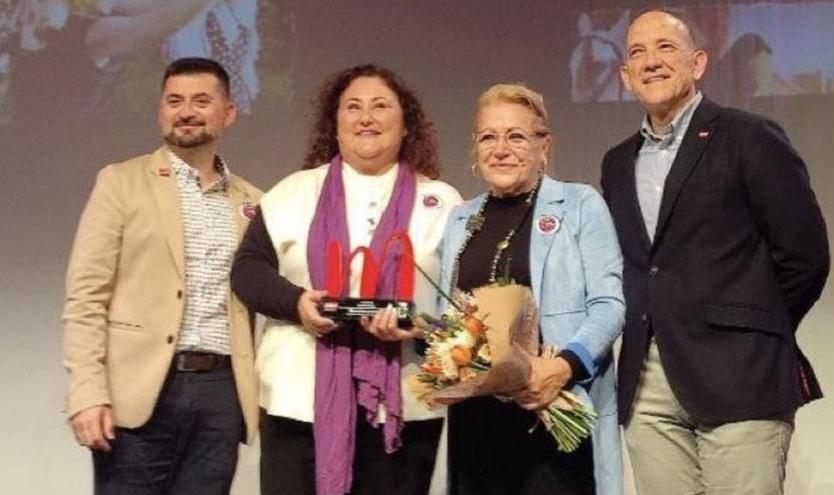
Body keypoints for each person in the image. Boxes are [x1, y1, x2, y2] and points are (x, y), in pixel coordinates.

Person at [600, 10, 830, 495]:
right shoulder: (617, 163)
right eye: (637, 53)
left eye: (666, 47)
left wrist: (751, 327)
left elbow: (805, 256)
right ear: (624, 76)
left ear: (698, 63)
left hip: (741, 374)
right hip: (648, 382)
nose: (651, 62)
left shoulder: (749, 136)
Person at [230, 63, 462, 495]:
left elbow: (464, 304)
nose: (366, 118)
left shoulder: (443, 202)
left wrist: (420, 326)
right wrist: (297, 302)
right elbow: (247, 269)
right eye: (352, 107)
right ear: (334, 125)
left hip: (406, 401)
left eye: (380, 106)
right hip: (298, 397)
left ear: (407, 123)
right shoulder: (292, 192)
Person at [62, 57, 262, 494]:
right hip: (140, 388)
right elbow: (86, 296)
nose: (186, 111)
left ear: (227, 113)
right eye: (174, 101)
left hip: (220, 391)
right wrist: (88, 391)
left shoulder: (253, 201)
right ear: (161, 110)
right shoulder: (121, 182)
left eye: (201, 101)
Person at [438, 83, 625, 495]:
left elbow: (609, 305)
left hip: (554, 407)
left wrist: (563, 368)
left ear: (544, 145)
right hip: (478, 424)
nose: (501, 148)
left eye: (516, 136)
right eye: (489, 136)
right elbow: (446, 314)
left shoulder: (579, 205)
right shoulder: (459, 220)